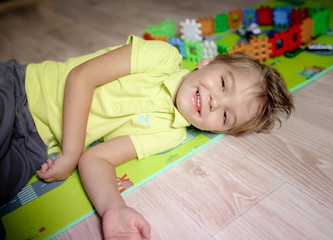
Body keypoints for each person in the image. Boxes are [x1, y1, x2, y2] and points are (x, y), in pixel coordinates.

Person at [0, 35, 293, 239]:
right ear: (208, 62)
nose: (216, 101)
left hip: (35, 144)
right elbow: (81, 77)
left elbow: (97, 158)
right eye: (222, 83)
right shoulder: (162, 57)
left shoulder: (170, 134)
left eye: (226, 116)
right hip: (20, 88)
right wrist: (70, 154)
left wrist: (114, 208)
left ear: (219, 130)